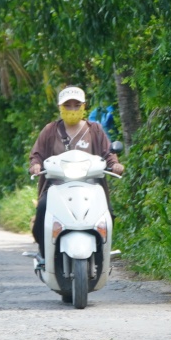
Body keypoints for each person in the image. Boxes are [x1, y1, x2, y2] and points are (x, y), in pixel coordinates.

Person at [29, 86, 124, 258]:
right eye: (68, 105)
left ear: (83, 106)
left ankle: (101, 251)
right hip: (57, 186)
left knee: (107, 213)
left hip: (90, 186)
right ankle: (44, 253)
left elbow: (108, 153)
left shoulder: (94, 129)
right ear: (60, 107)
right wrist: (35, 165)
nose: (72, 109)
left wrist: (115, 164)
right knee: (43, 208)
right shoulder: (50, 130)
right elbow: (37, 155)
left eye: (76, 105)